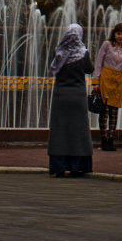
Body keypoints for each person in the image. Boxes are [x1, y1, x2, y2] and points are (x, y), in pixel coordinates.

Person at [47, 23, 94, 177]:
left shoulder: (58, 52)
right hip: (78, 97)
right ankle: (76, 167)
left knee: (60, 131)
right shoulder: (83, 53)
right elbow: (90, 69)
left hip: (60, 96)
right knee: (78, 131)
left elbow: (52, 68)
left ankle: (59, 167)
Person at [92, 22, 122, 151]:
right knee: (104, 111)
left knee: (114, 112)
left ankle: (111, 139)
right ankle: (103, 138)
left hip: (118, 81)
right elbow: (98, 62)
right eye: (118, 33)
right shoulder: (107, 45)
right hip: (105, 78)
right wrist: (95, 82)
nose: (120, 36)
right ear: (114, 34)